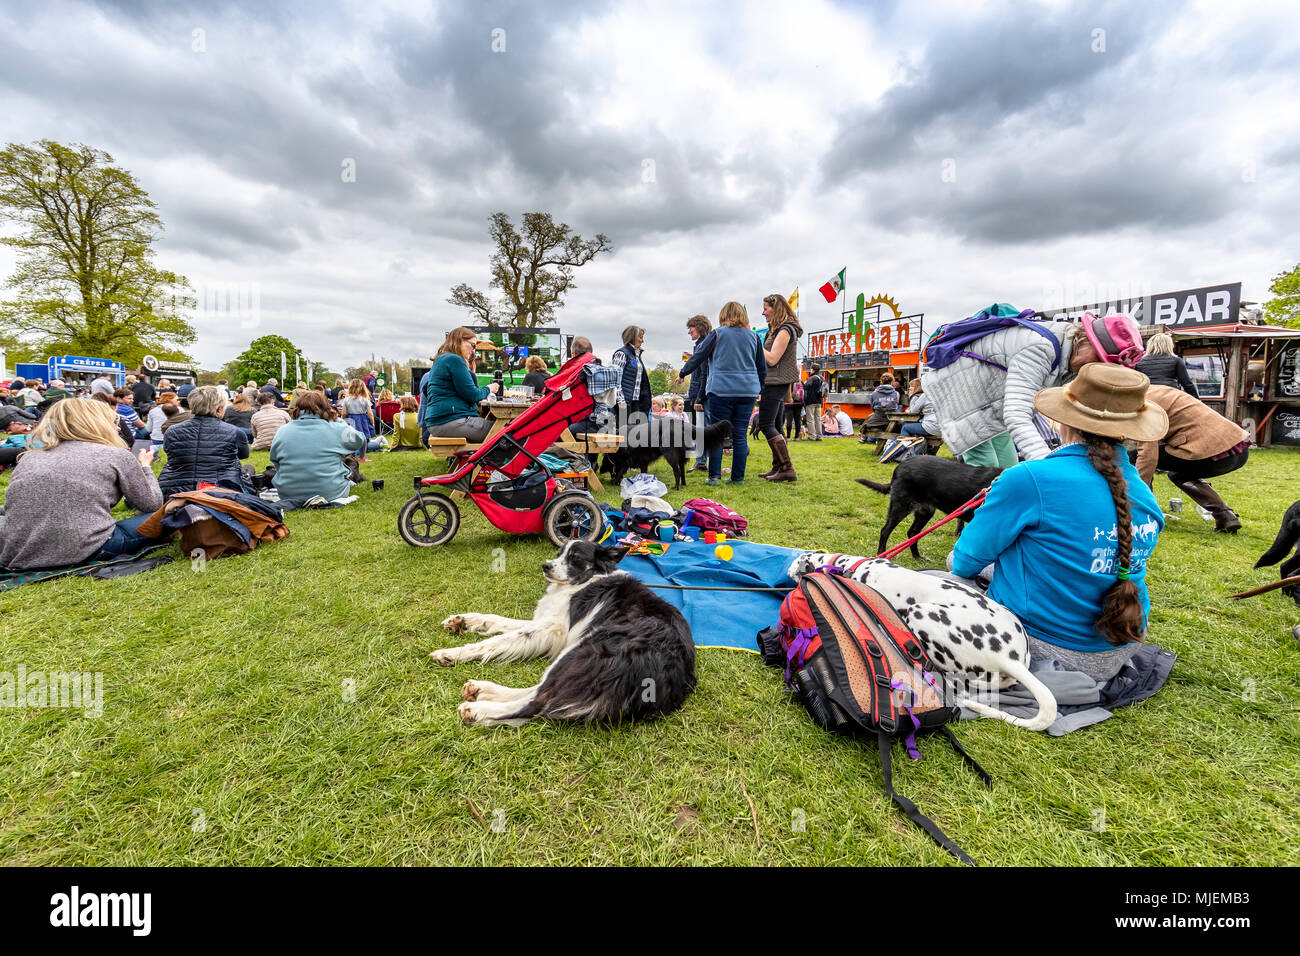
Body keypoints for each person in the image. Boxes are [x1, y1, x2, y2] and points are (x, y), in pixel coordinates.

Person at [951, 363, 1168, 681]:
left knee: (951, 573)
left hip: (1047, 647)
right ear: (1130, 430)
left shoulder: (1029, 479)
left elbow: (964, 561)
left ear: (1064, 420)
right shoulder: (1141, 490)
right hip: (1123, 645)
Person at [923, 311, 1145, 468]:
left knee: (1011, 469)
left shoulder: (1070, 354)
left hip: (990, 402)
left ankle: (1005, 524)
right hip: (961, 398)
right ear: (1086, 340)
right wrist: (1048, 467)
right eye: (1098, 359)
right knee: (986, 470)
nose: (1095, 369)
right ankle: (982, 528)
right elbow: (1017, 414)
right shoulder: (1039, 348)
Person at [0, 397, 165, 569]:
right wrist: (145, 466)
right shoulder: (116, 455)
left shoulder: (30, 457)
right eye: (113, 422)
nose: (117, 428)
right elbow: (152, 504)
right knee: (171, 514)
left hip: (20, 551)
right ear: (96, 424)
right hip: (86, 548)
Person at [1133, 384, 1250, 533]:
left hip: (1213, 453)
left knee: (1133, 458)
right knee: (1179, 474)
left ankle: (1143, 514)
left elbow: (1147, 456)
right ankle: (1226, 516)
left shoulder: (1144, 405)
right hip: (1238, 447)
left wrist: (1138, 493)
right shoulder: (1159, 390)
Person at [700, 301, 765, 485]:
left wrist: (683, 372)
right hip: (747, 391)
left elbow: (700, 355)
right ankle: (738, 478)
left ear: (723, 315)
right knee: (740, 436)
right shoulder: (754, 337)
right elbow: (761, 366)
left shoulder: (718, 334)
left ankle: (714, 476)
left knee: (717, 435)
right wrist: (759, 387)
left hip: (721, 390)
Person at [268, 391, 367, 506]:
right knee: (348, 461)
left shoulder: (283, 431)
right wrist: (339, 422)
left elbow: (275, 460)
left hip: (288, 493)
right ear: (326, 407)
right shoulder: (336, 426)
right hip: (330, 492)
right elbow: (359, 440)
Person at [156, 385, 252, 498]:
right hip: (222, 490)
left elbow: (171, 454)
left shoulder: (172, 431)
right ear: (219, 409)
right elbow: (243, 455)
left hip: (174, 490)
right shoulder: (235, 431)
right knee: (247, 469)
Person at [420, 327, 500, 444]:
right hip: (451, 421)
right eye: (472, 345)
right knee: (505, 431)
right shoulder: (455, 360)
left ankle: (493, 460)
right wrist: (489, 388)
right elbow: (473, 395)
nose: (474, 351)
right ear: (459, 341)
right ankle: (499, 461)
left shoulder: (442, 359)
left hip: (439, 422)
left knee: (503, 430)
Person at [757, 293, 803, 482]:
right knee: (776, 424)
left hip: (775, 382)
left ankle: (787, 468)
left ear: (776, 309)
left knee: (766, 424)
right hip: (775, 382)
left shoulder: (785, 330)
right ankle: (778, 467)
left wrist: (755, 344)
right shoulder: (777, 330)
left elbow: (773, 358)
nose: (763, 313)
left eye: (766, 308)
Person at [680, 314, 714, 470]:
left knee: (702, 430)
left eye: (691, 328)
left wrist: (699, 398)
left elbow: (703, 375)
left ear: (699, 327)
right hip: (700, 393)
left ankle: (701, 462)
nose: (689, 332)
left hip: (702, 395)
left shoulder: (703, 346)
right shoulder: (701, 345)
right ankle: (701, 461)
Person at [567, 337, 621, 437]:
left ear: (573, 354)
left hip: (593, 423)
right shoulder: (601, 370)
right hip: (607, 421)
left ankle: (571, 453)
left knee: (557, 434)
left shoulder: (581, 373)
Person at [1134, 332, 1197, 397]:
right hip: (1170, 395)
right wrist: (1198, 401)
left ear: (1150, 345)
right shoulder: (1176, 360)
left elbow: (1136, 384)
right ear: (1169, 345)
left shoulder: (1140, 362)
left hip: (1149, 396)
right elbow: (1187, 384)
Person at [612, 325, 652, 419]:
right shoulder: (621, 354)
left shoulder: (637, 356)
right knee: (623, 430)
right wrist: (621, 401)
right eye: (640, 337)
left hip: (636, 402)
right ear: (632, 337)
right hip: (624, 402)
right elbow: (615, 380)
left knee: (636, 431)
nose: (642, 341)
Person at [899, 378, 941, 453]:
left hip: (931, 425)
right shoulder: (940, 395)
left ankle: (905, 453)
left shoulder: (925, 395)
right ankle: (922, 451)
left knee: (905, 428)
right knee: (917, 430)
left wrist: (907, 410)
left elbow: (912, 411)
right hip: (942, 427)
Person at [858, 372, 900, 445]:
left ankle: (863, 436)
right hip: (893, 422)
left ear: (881, 381)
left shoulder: (874, 393)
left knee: (868, 419)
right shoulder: (896, 394)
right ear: (892, 382)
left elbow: (873, 407)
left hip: (876, 420)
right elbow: (896, 405)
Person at [342, 378, 376, 459]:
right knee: (363, 438)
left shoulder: (346, 400)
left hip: (350, 419)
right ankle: (362, 457)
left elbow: (343, 413)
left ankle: (352, 457)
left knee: (351, 439)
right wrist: (372, 422)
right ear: (363, 388)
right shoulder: (364, 400)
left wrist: (343, 420)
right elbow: (370, 413)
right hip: (362, 420)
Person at [803, 363, 825, 441]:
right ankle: (819, 436)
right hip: (819, 401)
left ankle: (811, 436)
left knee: (810, 419)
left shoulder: (812, 378)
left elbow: (805, 387)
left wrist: (803, 382)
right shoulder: (822, 378)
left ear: (812, 369)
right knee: (818, 419)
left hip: (811, 401)